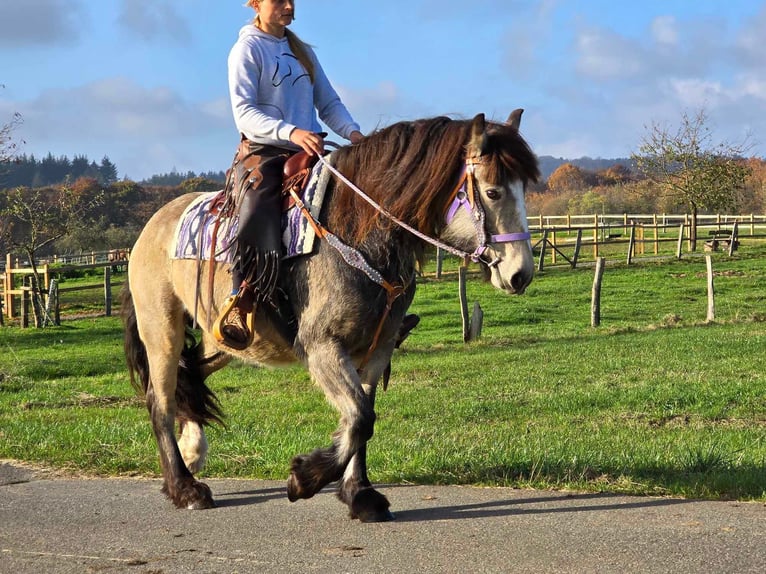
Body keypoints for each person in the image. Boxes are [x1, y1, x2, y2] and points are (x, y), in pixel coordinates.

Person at [214, 0, 364, 350]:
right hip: (264, 151)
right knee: (259, 202)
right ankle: (242, 293)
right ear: (255, 3)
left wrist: (355, 135)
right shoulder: (246, 49)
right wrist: (291, 132)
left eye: (292, 0)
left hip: (309, 149)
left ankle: (377, 302)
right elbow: (245, 114)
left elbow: (328, 104)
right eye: (278, 0)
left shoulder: (301, 51)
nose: (288, 6)